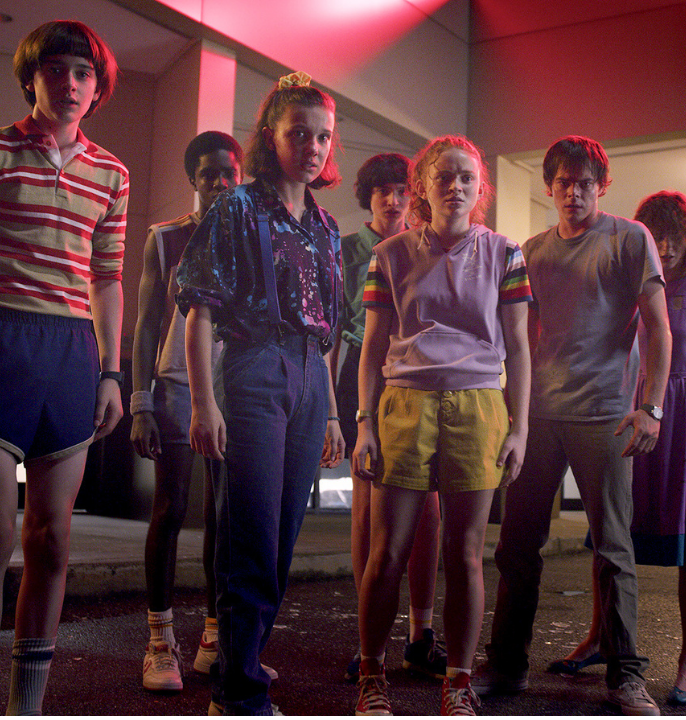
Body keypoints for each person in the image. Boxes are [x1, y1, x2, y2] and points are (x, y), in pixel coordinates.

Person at [0, 20, 126, 716]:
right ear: (31, 78)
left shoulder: (113, 173)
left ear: (97, 88)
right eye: (56, 69)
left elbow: (106, 278)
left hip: (71, 354)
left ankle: (26, 708)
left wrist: (111, 373)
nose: (70, 83)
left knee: (52, 537)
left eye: (83, 73)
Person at [472, 135, 671, 716]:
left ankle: (625, 676)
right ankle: (506, 666)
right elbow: (519, 338)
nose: (574, 193)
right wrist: (512, 413)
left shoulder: (629, 239)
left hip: (606, 414)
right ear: (550, 187)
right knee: (516, 545)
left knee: (613, 547)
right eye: (564, 182)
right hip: (537, 415)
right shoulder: (532, 251)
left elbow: (658, 328)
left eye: (585, 183)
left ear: (601, 186)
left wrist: (652, 406)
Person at [176, 71, 345, 715]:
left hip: (308, 374)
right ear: (271, 136)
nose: (312, 147)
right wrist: (202, 402)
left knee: (282, 535)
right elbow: (199, 311)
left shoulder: (325, 226)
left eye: (322, 136)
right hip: (252, 367)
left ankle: (242, 656)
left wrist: (330, 413)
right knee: (249, 531)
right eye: (298, 133)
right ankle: (238, 693)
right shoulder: (237, 208)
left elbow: (324, 332)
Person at [352, 135, 531, 716]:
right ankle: (372, 676)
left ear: (480, 190)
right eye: (444, 176)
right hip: (405, 404)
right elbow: (372, 346)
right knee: (388, 551)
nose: (456, 186)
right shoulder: (390, 254)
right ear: (423, 187)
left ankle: (457, 683)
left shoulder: (506, 254)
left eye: (467, 178)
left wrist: (519, 428)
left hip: (479, 406)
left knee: (466, 554)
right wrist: (365, 423)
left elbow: (519, 347)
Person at [559, 190, 686, 707]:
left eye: (673, 235)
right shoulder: (631, 284)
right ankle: (600, 637)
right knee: (611, 530)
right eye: (654, 234)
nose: (663, 244)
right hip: (629, 409)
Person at [129, 131, 252, 692]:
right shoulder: (166, 238)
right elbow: (146, 324)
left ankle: (213, 637)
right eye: (209, 174)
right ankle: (159, 641)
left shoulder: (252, 236)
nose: (220, 182)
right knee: (171, 507)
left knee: (224, 516)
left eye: (229, 173)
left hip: (234, 387)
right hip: (177, 386)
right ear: (193, 180)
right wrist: (141, 402)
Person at [334, 153, 446, 684]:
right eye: (383, 190)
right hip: (364, 375)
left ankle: (421, 634)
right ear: (368, 196)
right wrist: (332, 414)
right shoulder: (346, 250)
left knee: (428, 509)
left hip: (419, 377)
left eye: (402, 190)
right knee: (367, 509)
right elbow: (330, 332)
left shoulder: (428, 243)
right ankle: (369, 641)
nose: (393, 200)